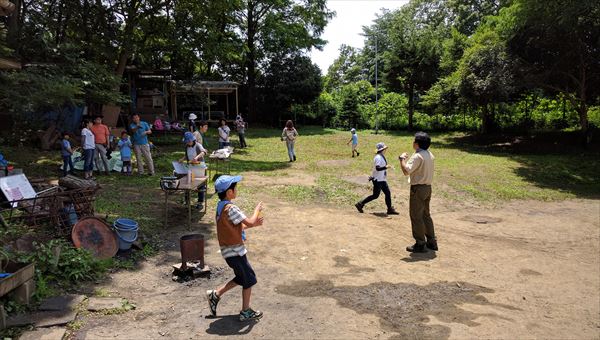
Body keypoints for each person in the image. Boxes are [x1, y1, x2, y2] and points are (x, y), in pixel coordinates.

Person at [206, 175, 264, 321]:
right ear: (229, 192)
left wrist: (253, 224)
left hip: (230, 252)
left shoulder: (221, 207)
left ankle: (216, 294)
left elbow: (236, 227)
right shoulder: (231, 207)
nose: (236, 190)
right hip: (235, 252)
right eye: (235, 187)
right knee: (249, 279)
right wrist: (256, 211)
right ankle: (245, 311)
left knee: (241, 277)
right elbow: (249, 222)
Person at [399, 132, 437, 253]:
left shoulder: (418, 156)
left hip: (418, 189)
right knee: (426, 215)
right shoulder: (429, 154)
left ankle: (420, 243)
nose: (413, 142)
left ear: (417, 144)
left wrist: (402, 159)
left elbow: (406, 171)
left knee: (416, 216)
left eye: (414, 140)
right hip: (427, 188)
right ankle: (432, 241)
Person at [355, 142, 399, 215]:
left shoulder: (381, 156)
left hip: (382, 179)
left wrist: (386, 167)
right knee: (375, 195)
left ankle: (389, 209)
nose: (386, 150)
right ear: (382, 149)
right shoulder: (378, 157)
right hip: (378, 180)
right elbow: (378, 168)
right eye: (385, 149)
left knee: (387, 193)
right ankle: (360, 204)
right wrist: (386, 167)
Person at [180, 131, 207, 209]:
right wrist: (182, 159)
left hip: (200, 168)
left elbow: (204, 152)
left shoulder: (198, 145)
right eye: (187, 142)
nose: (188, 143)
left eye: (189, 141)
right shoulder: (187, 147)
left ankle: (200, 202)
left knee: (200, 185)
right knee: (187, 183)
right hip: (191, 168)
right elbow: (186, 155)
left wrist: (197, 157)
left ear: (192, 140)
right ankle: (187, 200)